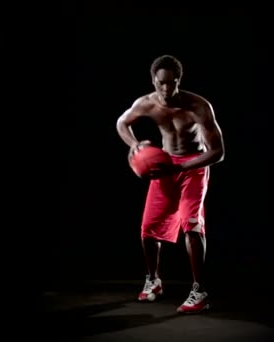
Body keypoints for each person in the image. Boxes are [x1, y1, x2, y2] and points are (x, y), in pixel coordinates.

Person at [116, 55, 225, 314]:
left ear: (179, 81)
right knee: (148, 228)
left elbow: (218, 152)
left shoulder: (198, 106)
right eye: (161, 83)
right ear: (154, 80)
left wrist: (183, 167)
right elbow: (122, 122)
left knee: (192, 224)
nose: (166, 89)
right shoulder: (147, 103)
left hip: (193, 166)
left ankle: (199, 291)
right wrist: (134, 145)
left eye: (171, 83)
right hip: (165, 166)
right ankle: (153, 281)